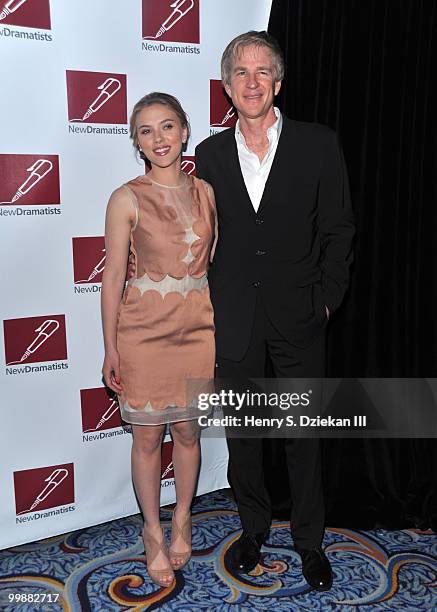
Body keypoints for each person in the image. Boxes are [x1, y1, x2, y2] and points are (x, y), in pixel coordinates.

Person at [194, 31, 355, 591]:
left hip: (301, 315)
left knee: (301, 437)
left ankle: (310, 543)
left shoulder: (318, 143)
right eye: (242, 72)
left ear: (278, 83)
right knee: (244, 436)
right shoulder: (208, 154)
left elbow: (339, 229)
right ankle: (253, 529)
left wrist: (327, 300)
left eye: (263, 72)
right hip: (234, 318)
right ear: (227, 86)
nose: (253, 81)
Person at [101, 92, 216, 588]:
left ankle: (183, 518)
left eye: (167, 127)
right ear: (136, 141)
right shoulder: (126, 197)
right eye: (146, 131)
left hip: (197, 329)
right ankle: (152, 531)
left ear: (185, 131)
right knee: (147, 437)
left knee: (188, 433)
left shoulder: (208, 191)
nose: (158, 139)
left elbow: (215, 266)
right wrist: (110, 347)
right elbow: (110, 278)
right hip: (143, 331)